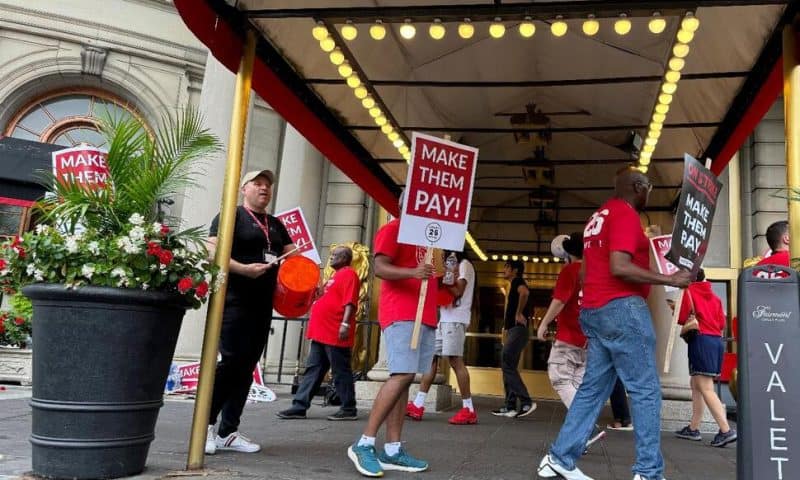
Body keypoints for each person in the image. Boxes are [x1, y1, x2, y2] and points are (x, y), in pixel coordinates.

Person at [537, 166, 691, 480]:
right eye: (648, 186)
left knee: (592, 389)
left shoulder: (599, 217)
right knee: (645, 389)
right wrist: (667, 278)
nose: (649, 192)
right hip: (622, 309)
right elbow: (620, 266)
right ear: (638, 186)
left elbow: (586, 272)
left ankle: (560, 457)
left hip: (596, 309)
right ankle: (648, 471)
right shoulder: (624, 214)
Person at [205, 169, 296, 455]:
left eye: (267, 185)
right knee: (230, 362)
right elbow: (211, 251)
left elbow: (295, 258)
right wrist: (243, 269)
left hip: (262, 304)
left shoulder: (277, 224)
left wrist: (306, 279)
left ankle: (228, 431)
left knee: (247, 368)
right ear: (244, 188)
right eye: (257, 184)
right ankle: (204, 426)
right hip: (232, 299)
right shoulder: (231, 216)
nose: (264, 188)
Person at [347, 203, 437, 477]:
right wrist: (413, 272)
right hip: (402, 311)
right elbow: (380, 268)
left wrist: (448, 277)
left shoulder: (431, 237)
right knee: (401, 375)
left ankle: (394, 449)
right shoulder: (394, 228)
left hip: (425, 314)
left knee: (405, 377)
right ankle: (364, 443)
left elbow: (437, 276)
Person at [276, 245, 360, 421]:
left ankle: (348, 408)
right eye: (331, 255)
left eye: (335, 255)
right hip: (321, 331)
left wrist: (345, 323)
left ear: (345, 258)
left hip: (335, 330)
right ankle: (299, 406)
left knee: (340, 370)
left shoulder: (349, 274)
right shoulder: (334, 276)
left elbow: (350, 301)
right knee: (313, 369)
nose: (331, 257)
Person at [538, 232, 605, 450]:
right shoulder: (596, 272)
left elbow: (560, 301)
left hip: (568, 336)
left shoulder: (571, 271)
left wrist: (543, 323)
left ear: (570, 252)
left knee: (559, 378)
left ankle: (585, 428)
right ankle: (578, 436)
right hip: (588, 338)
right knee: (576, 384)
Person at [406, 250, 477, 425]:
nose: (443, 255)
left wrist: (445, 275)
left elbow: (458, 291)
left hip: (456, 319)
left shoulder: (465, 265)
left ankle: (469, 409)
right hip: (444, 318)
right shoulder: (451, 265)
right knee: (431, 359)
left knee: (455, 361)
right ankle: (418, 404)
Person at [674, 268, 737, 447]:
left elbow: (682, 317)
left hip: (701, 341)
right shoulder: (715, 297)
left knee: (705, 387)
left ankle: (726, 430)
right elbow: (722, 323)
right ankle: (693, 428)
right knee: (696, 384)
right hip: (716, 341)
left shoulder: (689, 292)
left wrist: (675, 309)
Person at [491, 259, 536, 418]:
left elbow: (525, 293)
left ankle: (526, 401)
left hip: (518, 330)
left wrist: (518, 313)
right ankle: (510, 406)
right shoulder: (513, 284)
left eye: (507, 267)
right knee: (508, 365)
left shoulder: (518, 281)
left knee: (506, 362)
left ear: (515, 270)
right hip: (513, 331)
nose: (504, 269)